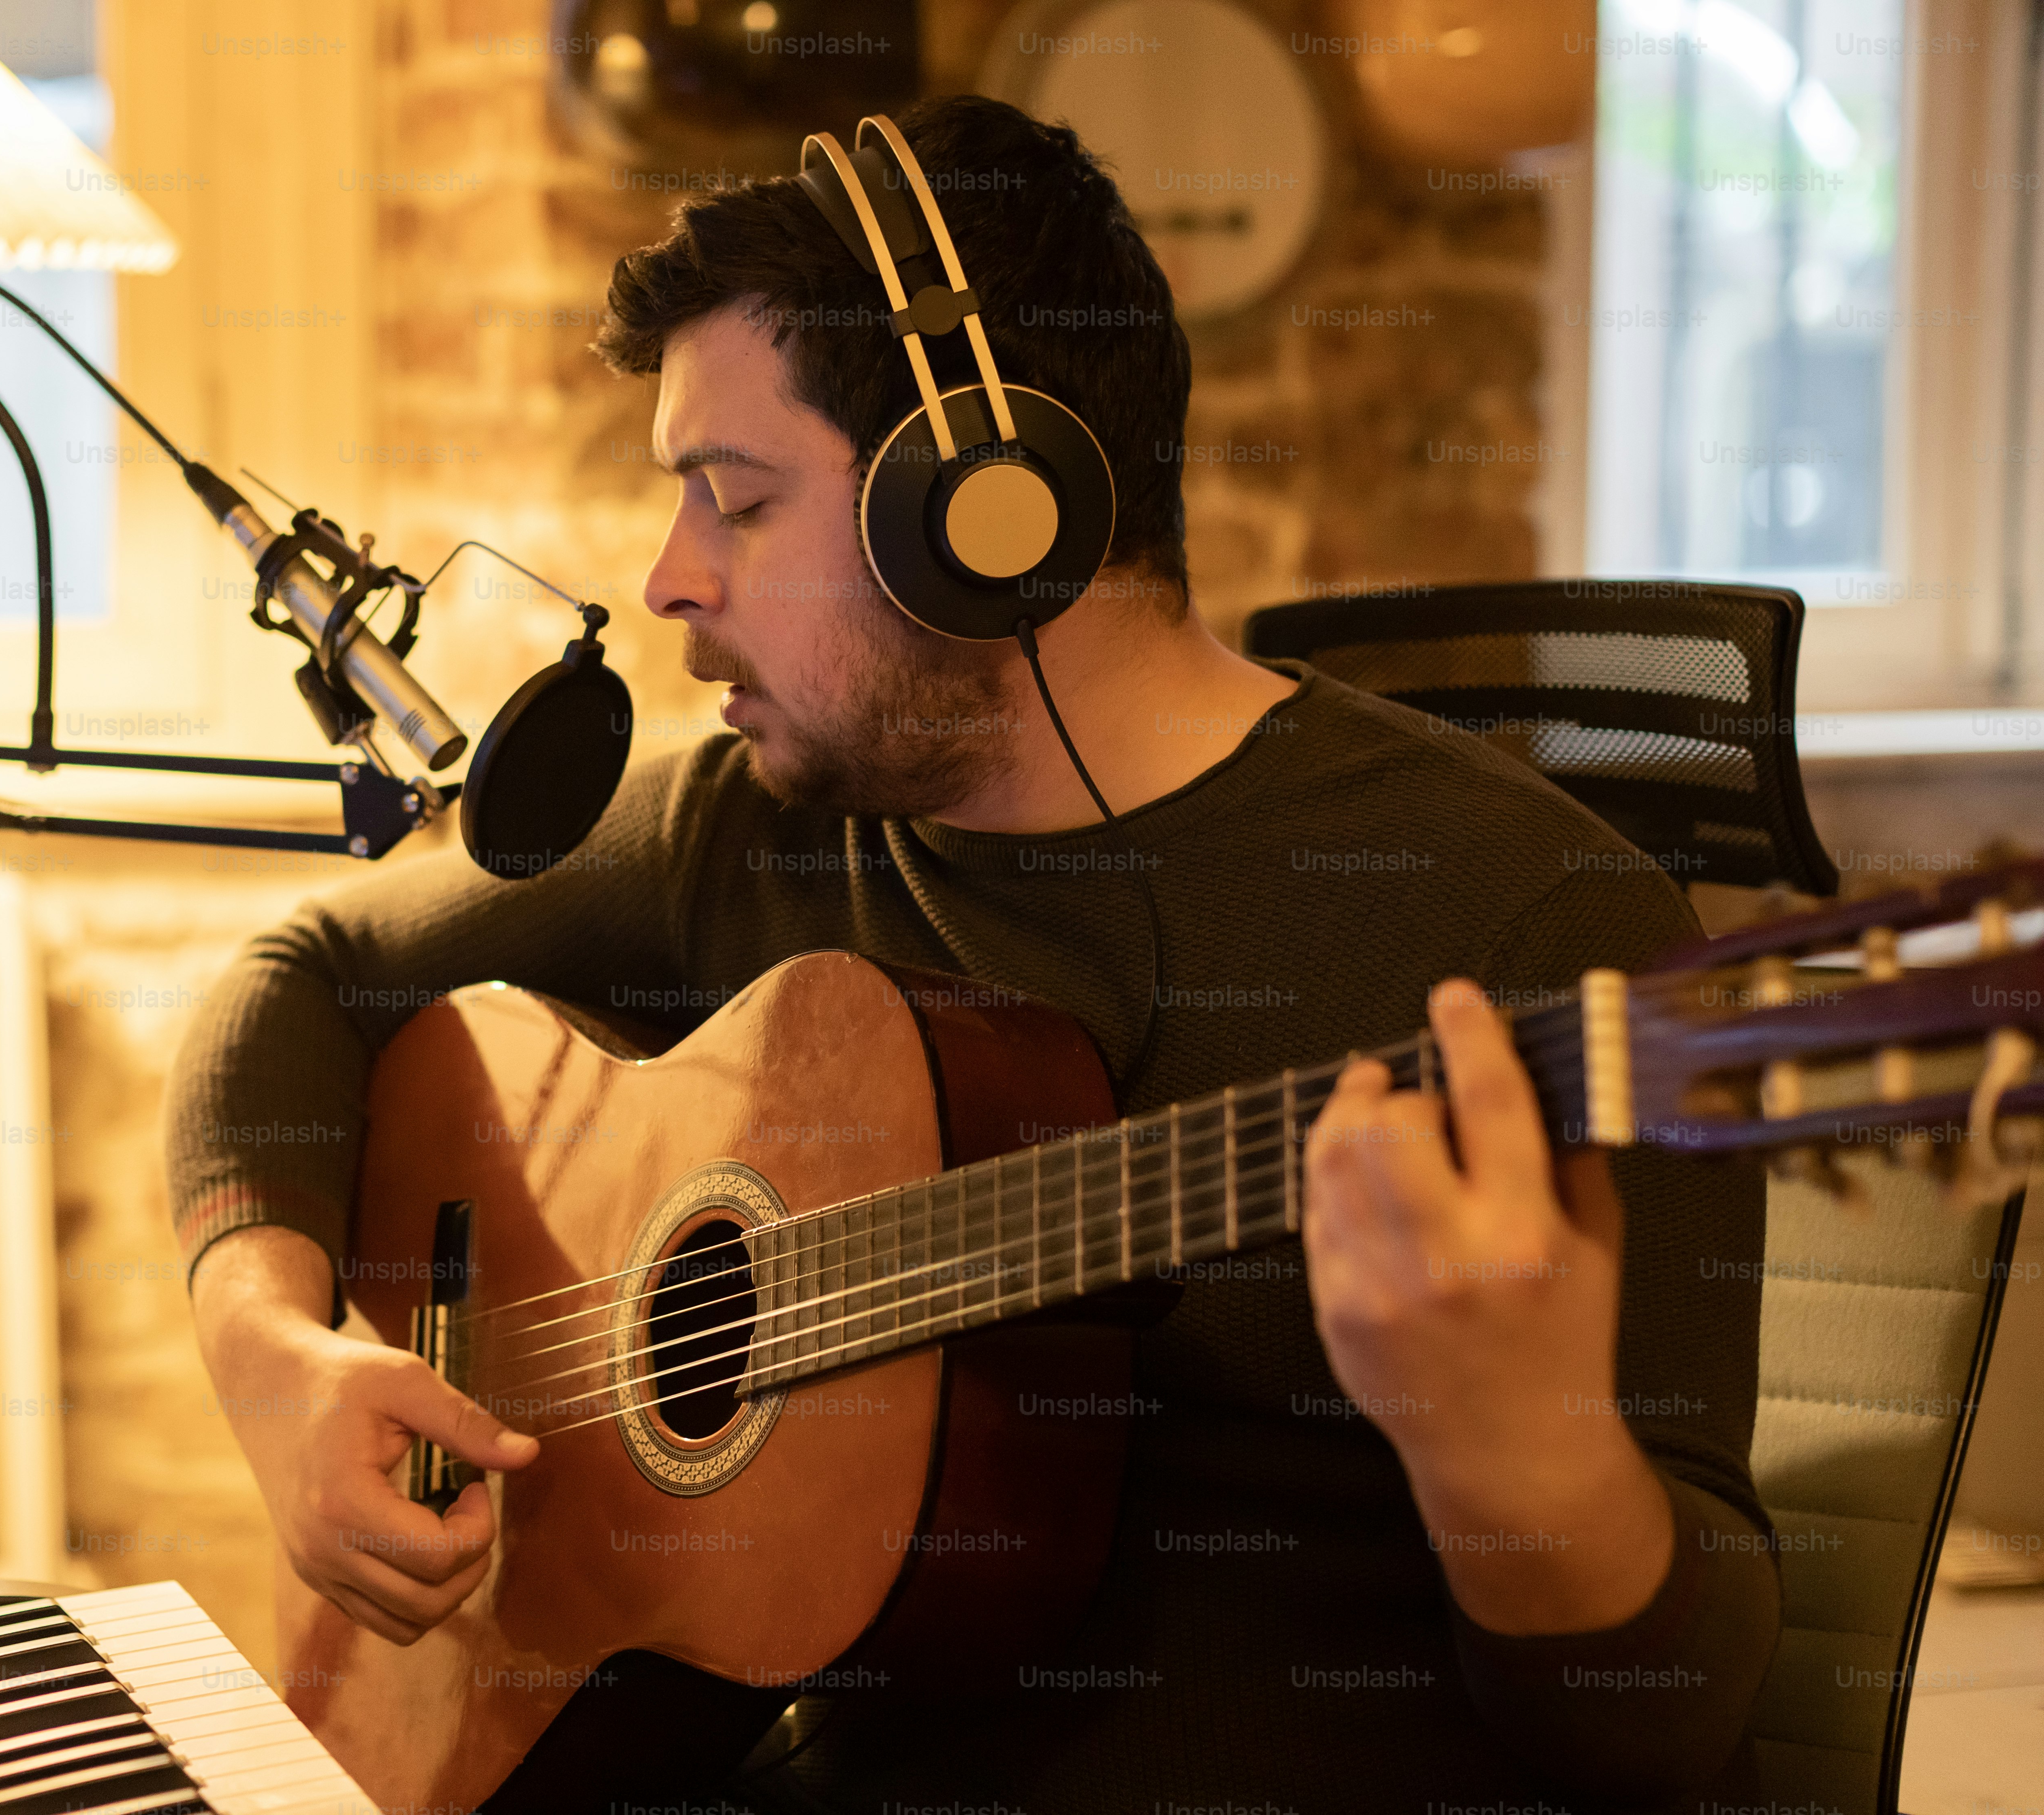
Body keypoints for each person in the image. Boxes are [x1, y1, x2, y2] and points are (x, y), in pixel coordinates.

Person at [165, 94, 1780, 1814]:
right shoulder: (752, 824)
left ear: (987, 509)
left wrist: (1516, 1449)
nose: (665, 580)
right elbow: (305, 973)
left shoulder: (1521, 928)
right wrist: (276, 1354)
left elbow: (1670, 1732)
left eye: (735, 499)